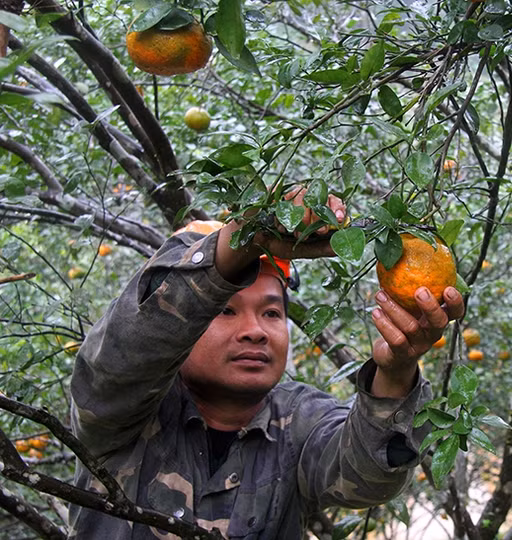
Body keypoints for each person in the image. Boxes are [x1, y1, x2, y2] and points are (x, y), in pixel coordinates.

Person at [67, 192, 464, 539]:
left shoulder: (299, 421)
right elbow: (116, 364)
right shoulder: (124, 416)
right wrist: (246, 236)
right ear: (184, 324)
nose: (255, 331)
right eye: (225, 310)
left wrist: (395, 373)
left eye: (272, 313)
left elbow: (366, 479)